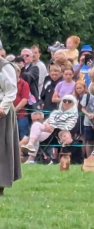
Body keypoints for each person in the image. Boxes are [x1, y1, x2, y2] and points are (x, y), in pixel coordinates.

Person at [21, 94, 78, 162]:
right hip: (47, 130)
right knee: (36, 125)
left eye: (69, 101)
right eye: (64, 101)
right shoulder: (55, 112)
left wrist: (54, 127)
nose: (66, 103)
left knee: (35, 134)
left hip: (57, 134)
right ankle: (30, 154)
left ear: (73, 103)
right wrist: (46, 125)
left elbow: (69, 127)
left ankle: (30, 152)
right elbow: (47, 121)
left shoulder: (73, 115)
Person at [0, 59, 21, 194]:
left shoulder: (5, 67)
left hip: (2, 112)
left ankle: (0, 184)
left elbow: (11, 91)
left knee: (2, 148)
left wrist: (3, 107)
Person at [78, 85, 94, 157]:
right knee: (89, 141)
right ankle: (89, 157)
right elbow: (83, 108)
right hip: (87, 122)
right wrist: (88, 114)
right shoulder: (86, 96)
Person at [13, 63, 31, 140]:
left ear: (19, 72)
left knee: (22, 136)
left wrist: (14, 110)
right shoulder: (6, 83)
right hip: (8, 114)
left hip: (21, 115)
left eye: (15, 71)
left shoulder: (24, 84)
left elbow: (24, 100)